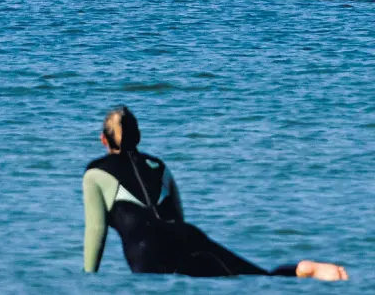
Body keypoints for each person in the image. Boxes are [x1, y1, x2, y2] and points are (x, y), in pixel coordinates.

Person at [83, 106, 348, 281]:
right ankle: (302, 269)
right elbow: (177, 220)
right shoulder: (160, 167)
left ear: (103, 140)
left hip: (147, 251)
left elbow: (96, 231)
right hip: (188, 236)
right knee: (255, 278)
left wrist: (88, 280)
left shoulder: (95, 173)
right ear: (138, 137)